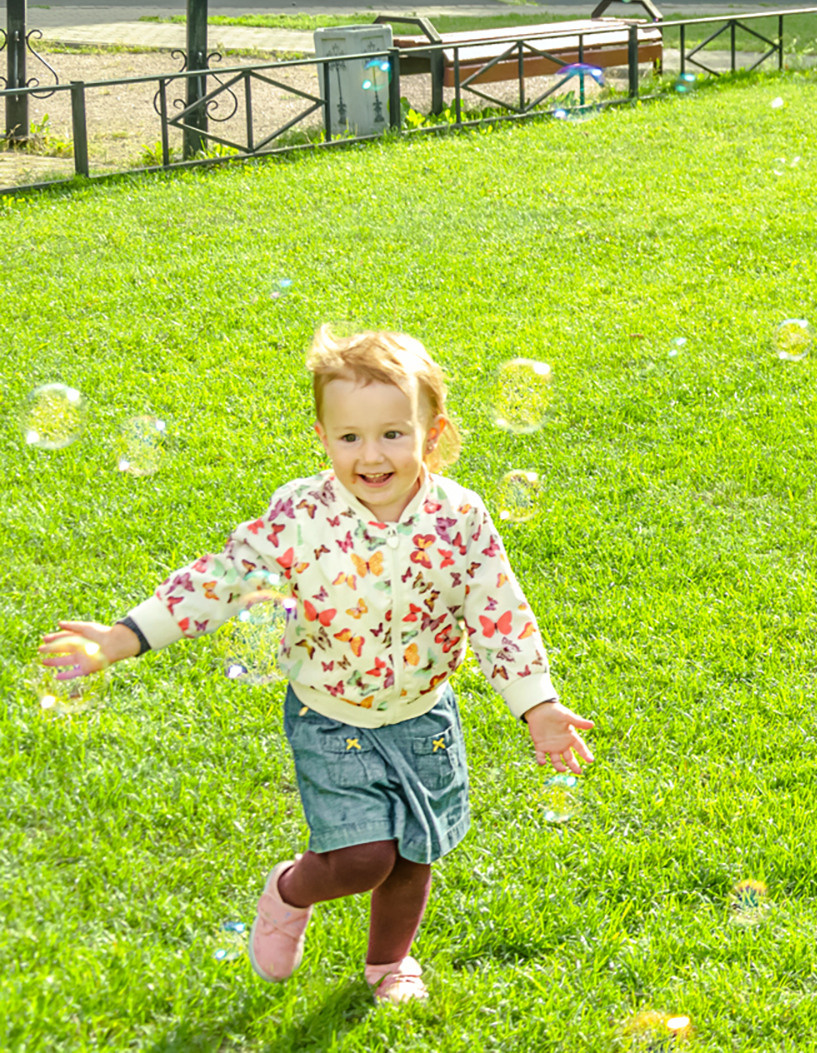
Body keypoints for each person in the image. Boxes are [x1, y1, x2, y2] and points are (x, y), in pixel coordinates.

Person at [37, 328, 594, 1005]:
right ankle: (290, 889)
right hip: (330, 715)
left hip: (424, 715)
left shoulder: (461, 516)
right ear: (322, 436)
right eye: (350, 437)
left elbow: (500, 613)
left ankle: (388, 964)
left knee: (415, 852)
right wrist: (126, 635)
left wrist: (538, 705)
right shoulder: (301, 512)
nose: (371, 454)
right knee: (364, 857)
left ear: (433, 430)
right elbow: (223, 579)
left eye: (393, 433)